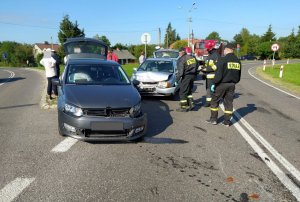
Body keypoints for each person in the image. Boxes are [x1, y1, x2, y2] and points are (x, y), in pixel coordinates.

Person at [206, 43, 241, 126]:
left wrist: (214, 83)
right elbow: (238, 77)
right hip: (232, 85)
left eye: (224, 50)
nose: (224, 51)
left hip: (221, 84)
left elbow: (218, 75)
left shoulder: (223, 60)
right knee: (228, 103)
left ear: (227, 49)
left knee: (214, 101)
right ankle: (227, 121)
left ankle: (213, 119)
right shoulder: (237, 61)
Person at [200, 40, 221, 107]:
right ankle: (208, 102)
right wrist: (203, 70)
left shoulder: (216, 56)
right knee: (208, 89)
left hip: (213, 76)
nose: (206, 50)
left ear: (211, 48)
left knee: (212, 90)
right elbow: (207, 65)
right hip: (208, 76)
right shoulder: (210, 55)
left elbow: (217, 67)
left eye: (207, 48)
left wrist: (207, 69)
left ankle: (212, 102)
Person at [176, 47, 198, 112]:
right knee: (189, 91)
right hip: (193, 76)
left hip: (186, 76)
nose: (179, 54)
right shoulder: (193, 58)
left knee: (182, 92)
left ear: (182, 52)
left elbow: (181, 72)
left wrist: (177, 79)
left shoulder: (182, 59)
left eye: (179, 52)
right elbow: (197, 67)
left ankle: (183, 107)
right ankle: (191, 103)